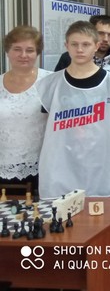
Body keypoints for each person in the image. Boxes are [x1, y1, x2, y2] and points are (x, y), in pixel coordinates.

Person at [36, 21, 110, 198]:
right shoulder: (49, 84)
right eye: (74, 44)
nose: (80, 50)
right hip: (61, 166)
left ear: (96, 46)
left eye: (86, 44)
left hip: (99, 165)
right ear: (66, 46)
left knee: (101, 212)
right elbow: (47, 127)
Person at [0, 26, 52, 193]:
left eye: (30, 50)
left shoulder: (50, 82)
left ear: (37, 53)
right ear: (7, 51)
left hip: (41, 169)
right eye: (17, 49)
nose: (23, 55)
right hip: (3, 168)